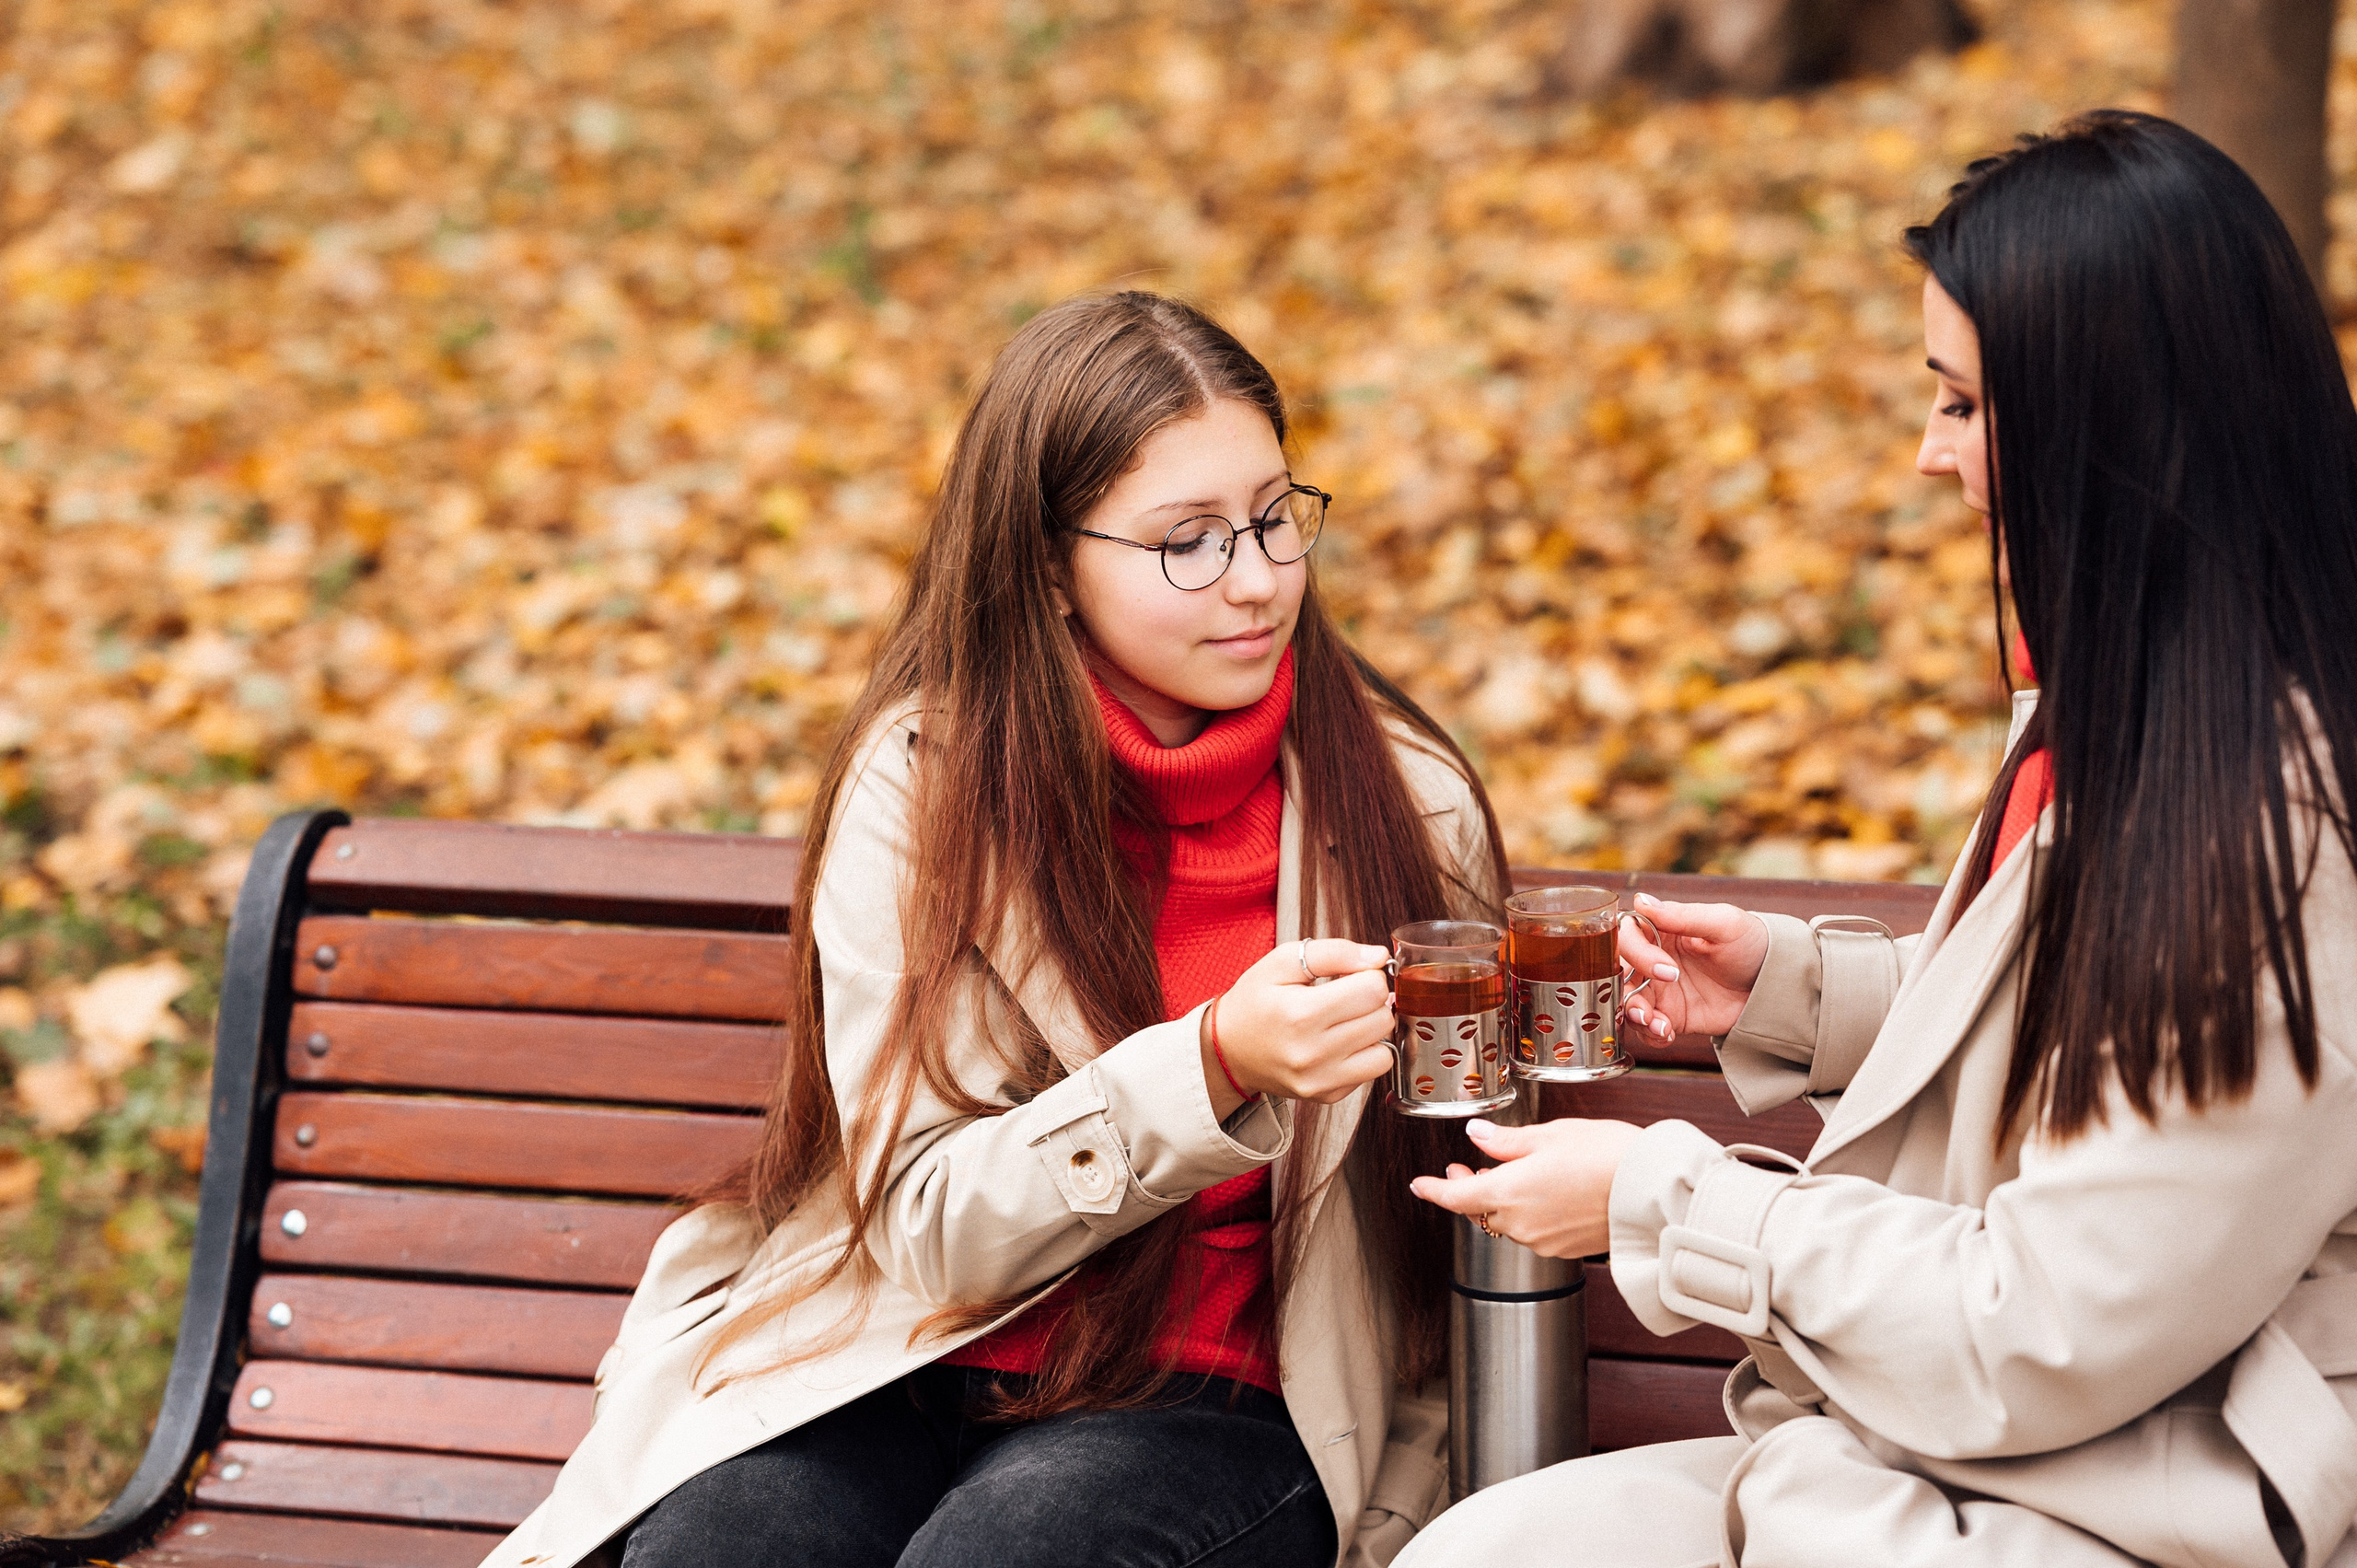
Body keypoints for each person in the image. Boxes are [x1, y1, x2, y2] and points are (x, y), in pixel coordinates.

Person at [1399, 110, 2357, 1568]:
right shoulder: (2136, 707)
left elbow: (2040, 1326)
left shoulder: (2278, 832)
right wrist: (1798, 989)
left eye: (1965, 404)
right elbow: (2102, 1038)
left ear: (2111, 423)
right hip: (1962, 1458)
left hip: (2135, 1502)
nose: (1930, 455)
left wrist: (1665, 1198)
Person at [479, 292, 1510, 1568]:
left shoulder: (1407, 806)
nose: (1254, 580)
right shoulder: (924, 787)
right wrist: (1212, 1068)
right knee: (720, 1547)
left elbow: (1467, 1204)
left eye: (1271, 518)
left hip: (1230, 1394)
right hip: (907, 1346)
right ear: (1046, 567)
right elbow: (924, 1222)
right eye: (1185, 541)